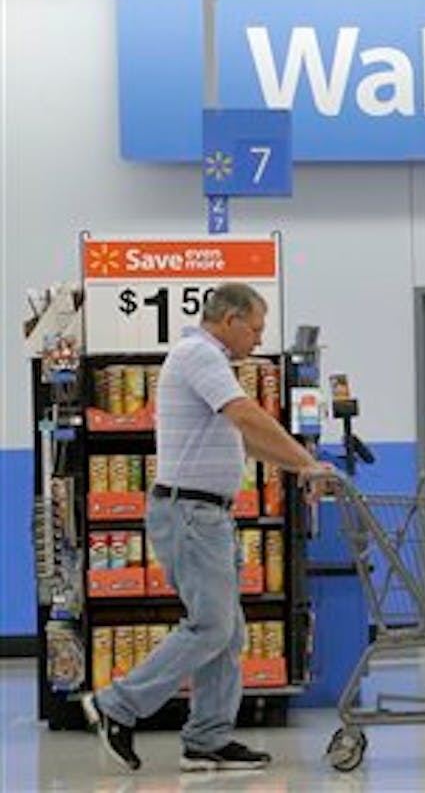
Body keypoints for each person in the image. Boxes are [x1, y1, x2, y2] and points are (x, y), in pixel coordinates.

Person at [82, 283, 334, 772]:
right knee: (212, 625)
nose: (259, 340)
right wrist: (306, 460)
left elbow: (248, 441)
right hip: (190, 513)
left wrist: (302, 467)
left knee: (229, 631)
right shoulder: (200, 355)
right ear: (230, 320)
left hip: (207, 514)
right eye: (256, 328)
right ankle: (117, 705)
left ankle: (206, 739)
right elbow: (245, 414)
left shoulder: (211, 360)